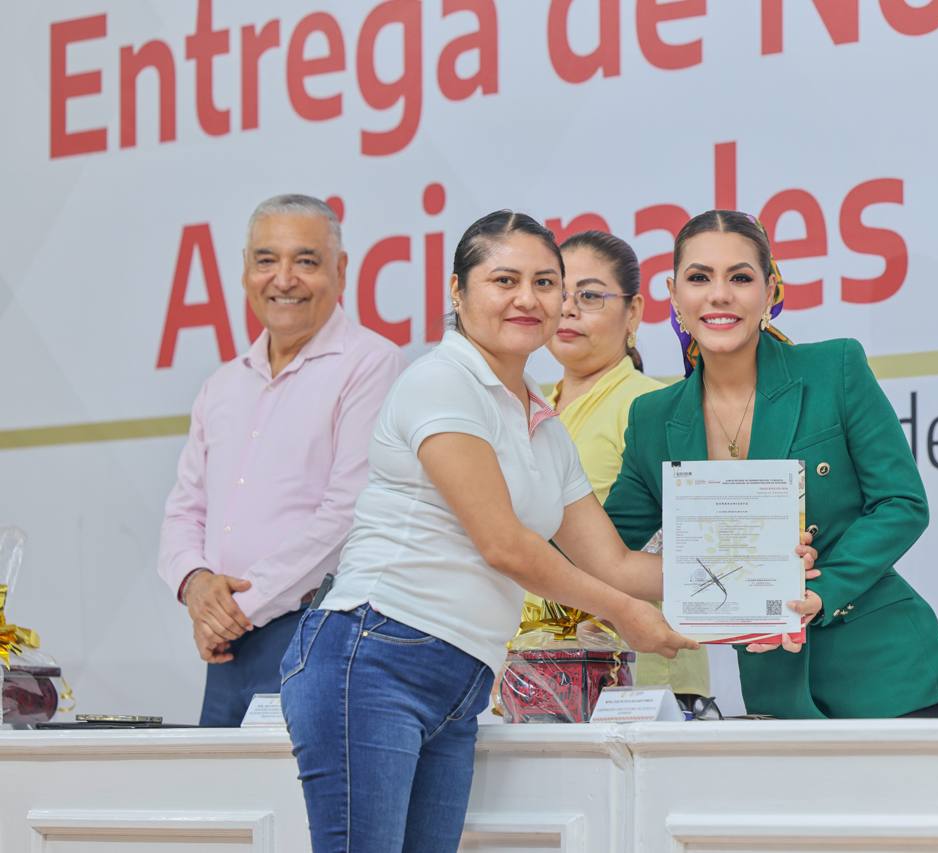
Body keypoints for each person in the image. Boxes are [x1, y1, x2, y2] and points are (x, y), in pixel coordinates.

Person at [278, 210, 821, 852]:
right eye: (503, 280)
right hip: (375, 653)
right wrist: (626, 615)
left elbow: (613, 562)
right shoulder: (441, 382)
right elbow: (504, 544)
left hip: (462, 675)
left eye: (545, 282)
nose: (527, 299)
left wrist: (765, 576)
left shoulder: (541, 422)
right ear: (458, 292)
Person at [604, 209, 938, 719]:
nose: (719, 294)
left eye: (741, 278)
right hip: (776, 696)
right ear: (674, 293)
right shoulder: (652, 418)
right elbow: (605, 548)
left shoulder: (835, 368)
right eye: (699, 277)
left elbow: (901, 503)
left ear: (770, 291)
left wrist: (821, 589)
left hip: (889, 676)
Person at [157, 193, 406, 726]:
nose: (283, 278)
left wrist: (231, 612)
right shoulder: (222, 385)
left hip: (318, 636)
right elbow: (184, 511)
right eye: (266, 260)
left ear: (340, 270)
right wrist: (195, 584)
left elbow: (348, 514)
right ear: (246, 270)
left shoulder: (370, 364)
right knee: (227, 805)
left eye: (305, 261)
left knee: (301, 809)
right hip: (227, 650)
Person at [538, 230, 712, 710]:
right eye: (556, 290)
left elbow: (693, 545)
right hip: (537, 672)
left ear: (633, 312)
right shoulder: (529, 408)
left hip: (639, 677)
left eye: (590, 295)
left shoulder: (648, 405)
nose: (568, 308)